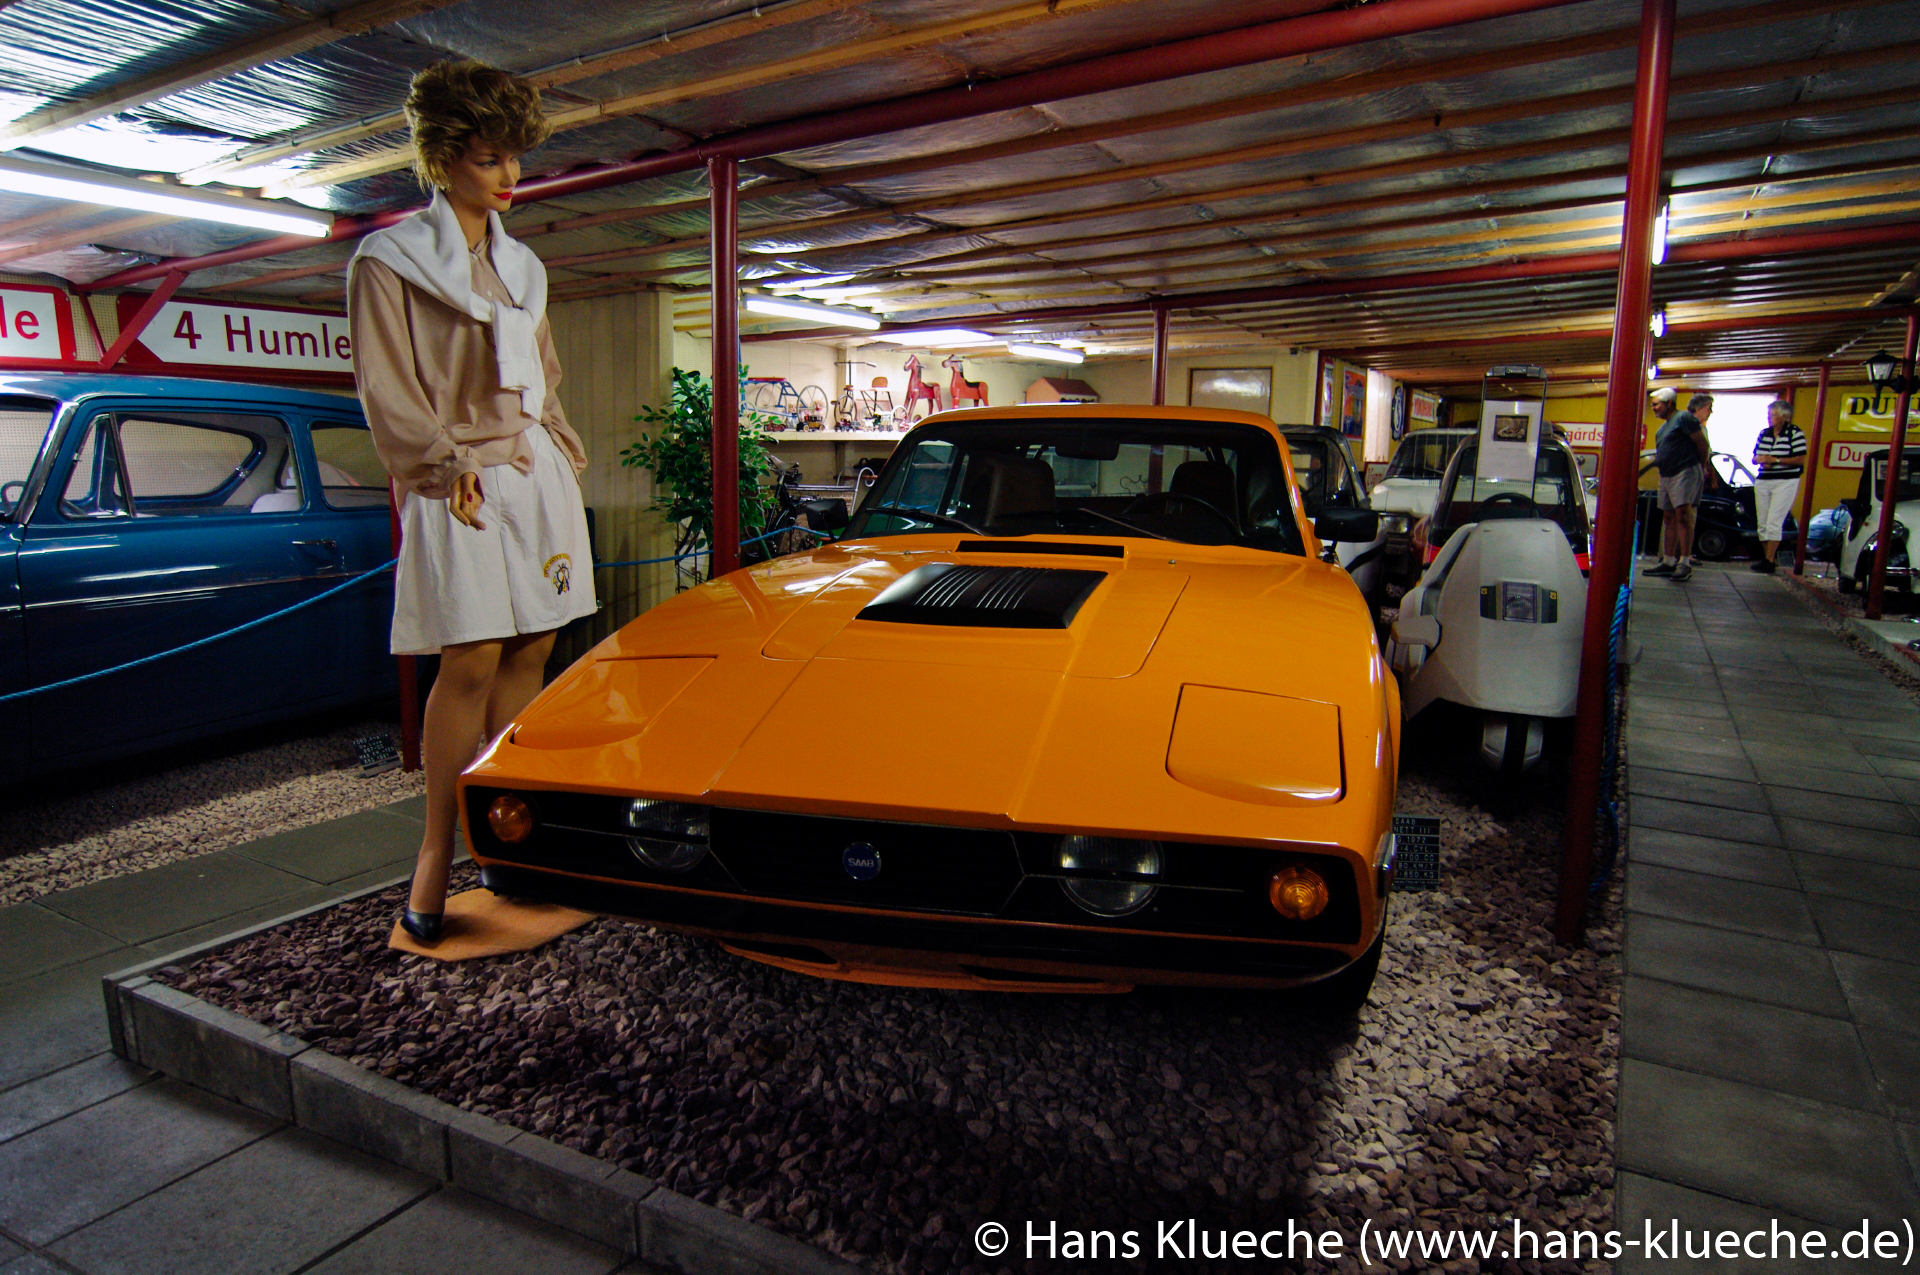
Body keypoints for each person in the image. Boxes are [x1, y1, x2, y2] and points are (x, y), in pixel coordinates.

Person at [348, 61, 595, 945]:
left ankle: (512, 841)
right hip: (457, 481)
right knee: (473, 657)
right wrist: (436, 460)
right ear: (444, 156)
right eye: (489, 158)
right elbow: (387, 384)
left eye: (513, 158)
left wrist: (563, 443)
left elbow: (546, 378)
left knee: (534, 646)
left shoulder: (524, 266)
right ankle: (434, 850)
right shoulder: (389, 261)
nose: (509, 178)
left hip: (535, 477)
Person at [1644, 389, 1716, 581]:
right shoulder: (1662, 429)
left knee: (1683, 515)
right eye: (1652, 405)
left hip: (1684, 472)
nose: (1653, 408)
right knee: (1668, 517)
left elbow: (1702, 444)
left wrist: (1700, 466)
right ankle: (1668, 561)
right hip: (1667, 475)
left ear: (1669, 403)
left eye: (1657, 404)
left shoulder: (1684, 418)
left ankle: (1684, 562)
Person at [1749, 398, 1806, 574]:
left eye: (1773, 415)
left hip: (1785, 481)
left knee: (1774, 520)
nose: (1769, 418)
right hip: (1764, 480)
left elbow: (1800, 459)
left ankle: (1770, 559)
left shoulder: (1795, 433)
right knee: (1763, 522)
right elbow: (1754, 457)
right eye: (1769, 415)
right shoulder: (1764, 433)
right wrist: (1761, 460)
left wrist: (1776, 460)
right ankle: (1767, 558)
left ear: (1785, 417)